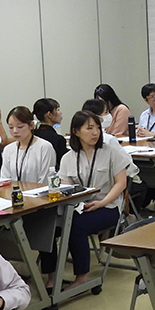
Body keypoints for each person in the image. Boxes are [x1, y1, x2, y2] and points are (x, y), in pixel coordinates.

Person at [52, 111, 131, 289]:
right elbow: (65, 186)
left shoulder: (110, 152)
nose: (95, 132)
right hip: (81, 206)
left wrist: (102, 203)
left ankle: (82, 277)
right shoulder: (68, 157)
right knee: (56, 222)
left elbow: (121, 183)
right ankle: (51, 274)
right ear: (76, 131)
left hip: (108, 207)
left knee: (76, 226)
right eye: (89, 128)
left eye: (97, 128)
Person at [0, 106, 56, 185]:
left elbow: (45, 180)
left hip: (39, 192)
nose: (15, 131)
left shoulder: (44, 147)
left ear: (31, 125)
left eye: (20, 127)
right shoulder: (8, 149)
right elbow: (5, 179)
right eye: (11, 127)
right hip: (13, 192)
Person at [32, 97, 68, 167]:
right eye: (58, 110)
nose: (61, 112)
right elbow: (64, 165)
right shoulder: (58, 139)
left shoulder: (33, 134)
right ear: (49, 115)